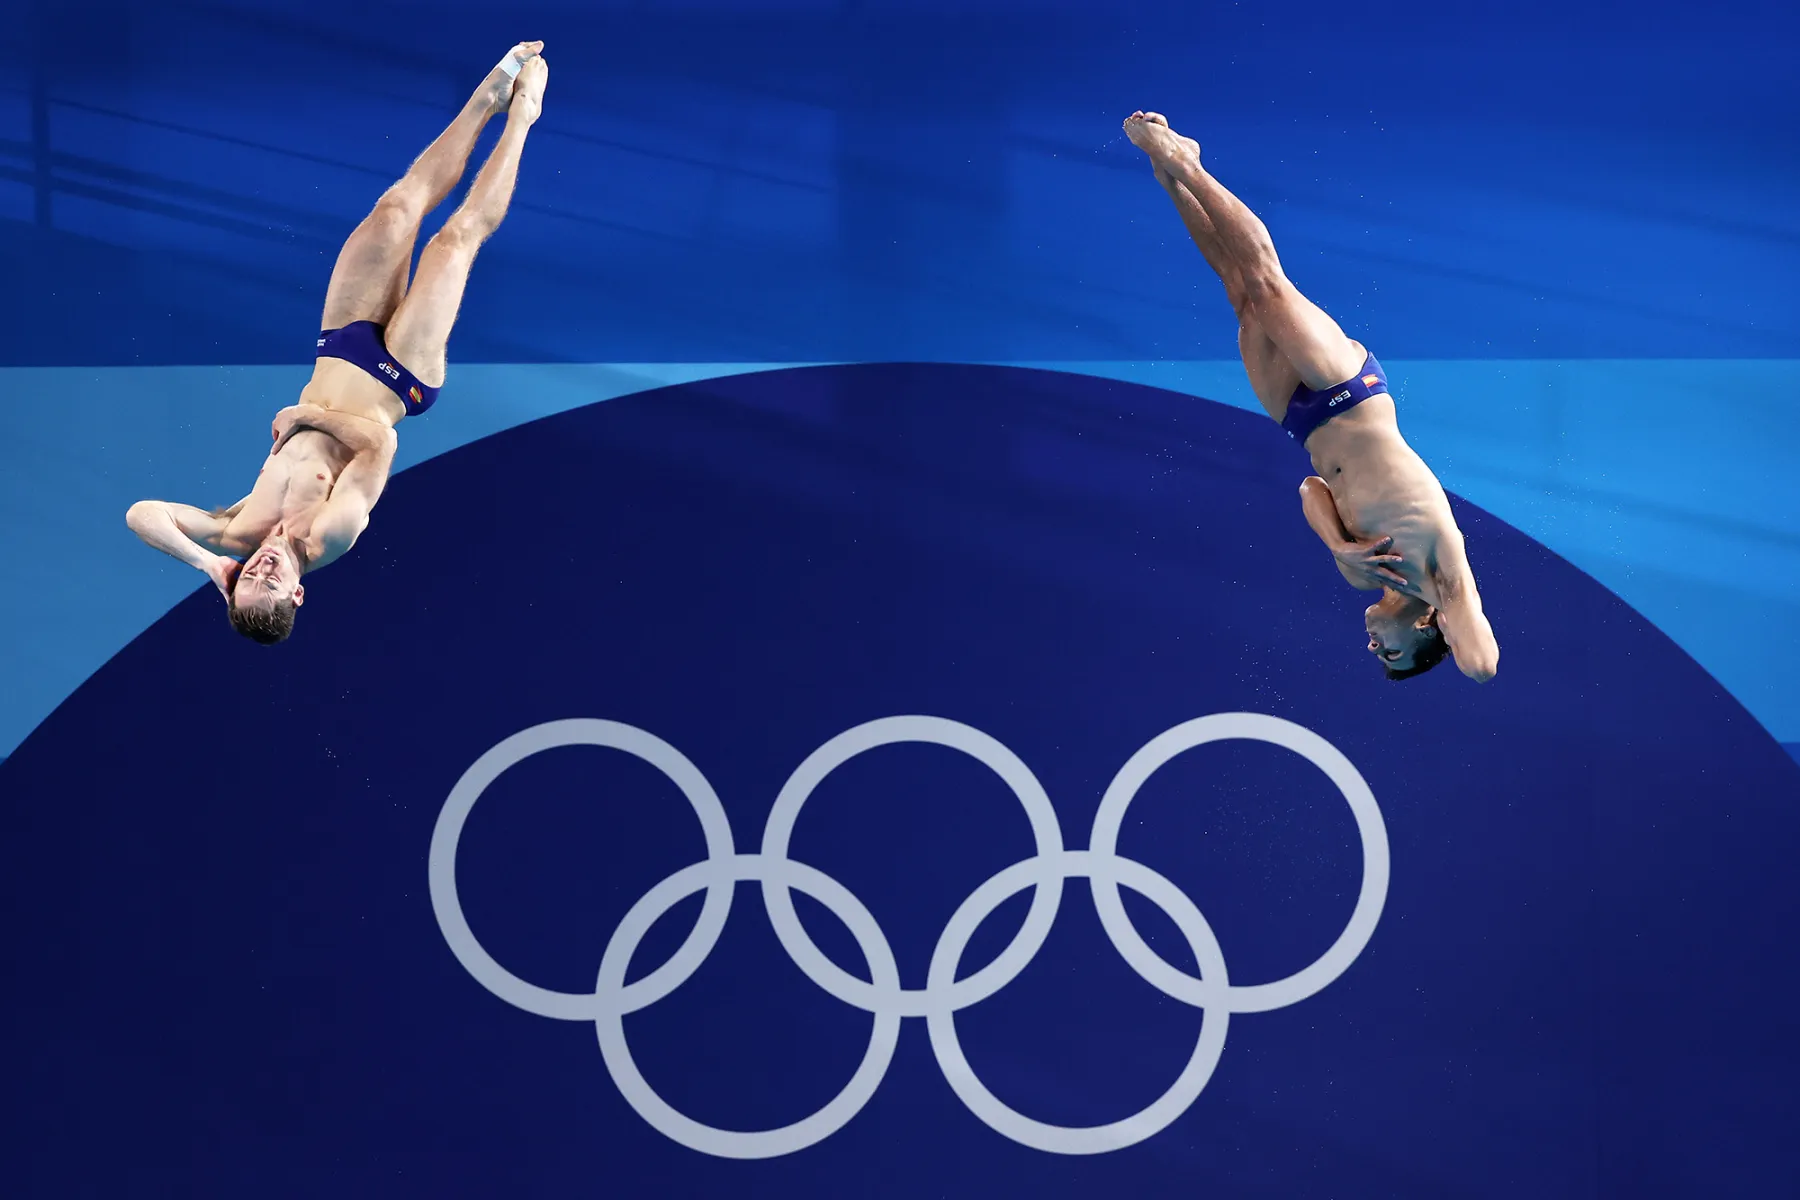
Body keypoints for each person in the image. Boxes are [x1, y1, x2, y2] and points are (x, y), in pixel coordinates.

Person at [125, 42, 550, 644]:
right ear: (297, 591)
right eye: (272, 585)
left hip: (340, 349)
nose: (263, 571)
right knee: (454, 242)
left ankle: (485, 99)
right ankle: (523, 115)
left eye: (248, 580)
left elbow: (141, 514)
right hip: (400, 379)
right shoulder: (329, 535)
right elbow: (380, 446)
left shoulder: (234, 533)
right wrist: (306, 416)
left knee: (396, 207)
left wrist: (208, 562)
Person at [1122, 111, 1499, 682]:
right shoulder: (1444, 577)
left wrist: (1339, 545)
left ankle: (1166, 175)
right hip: (1349, 392)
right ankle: (1188, 164)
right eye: (1392, 653)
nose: (1375, 648)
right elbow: (1483, 668)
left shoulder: (1361, 574)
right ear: (1428, 630)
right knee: (1268, 281)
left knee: (1241, 295)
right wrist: (1454, 619)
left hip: (1302, 422)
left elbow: (1311, 488)